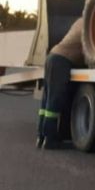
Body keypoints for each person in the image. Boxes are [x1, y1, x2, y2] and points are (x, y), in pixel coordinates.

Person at [37, 18, 85, 150]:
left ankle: (41, 136)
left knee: (47, 100)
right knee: (55, 100)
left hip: (53, 56)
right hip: (61, 61)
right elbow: (89, 50)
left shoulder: (79, 21)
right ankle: (50, 139)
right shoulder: (89, 22)